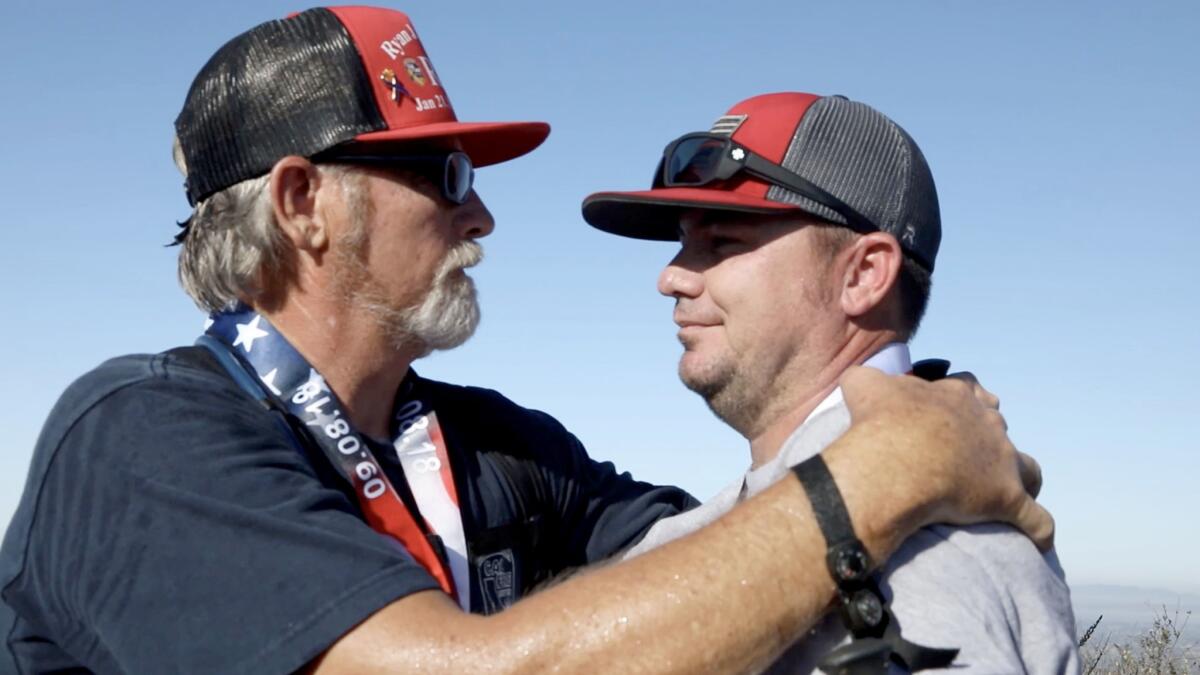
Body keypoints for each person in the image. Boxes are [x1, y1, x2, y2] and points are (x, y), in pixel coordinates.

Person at [0, 10, 1051, 674]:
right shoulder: (141, 441)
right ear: (304, 202)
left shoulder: (497, 449)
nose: (483, 219)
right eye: (447, 177)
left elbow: (723, 554)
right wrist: (885, 472)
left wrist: (925, 426)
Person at [582, 92, 1079, 672]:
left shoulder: (921, 558)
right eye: (683, 244)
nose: (671, 278)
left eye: (722, 243)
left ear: (864, 275)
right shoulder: (724, 527)